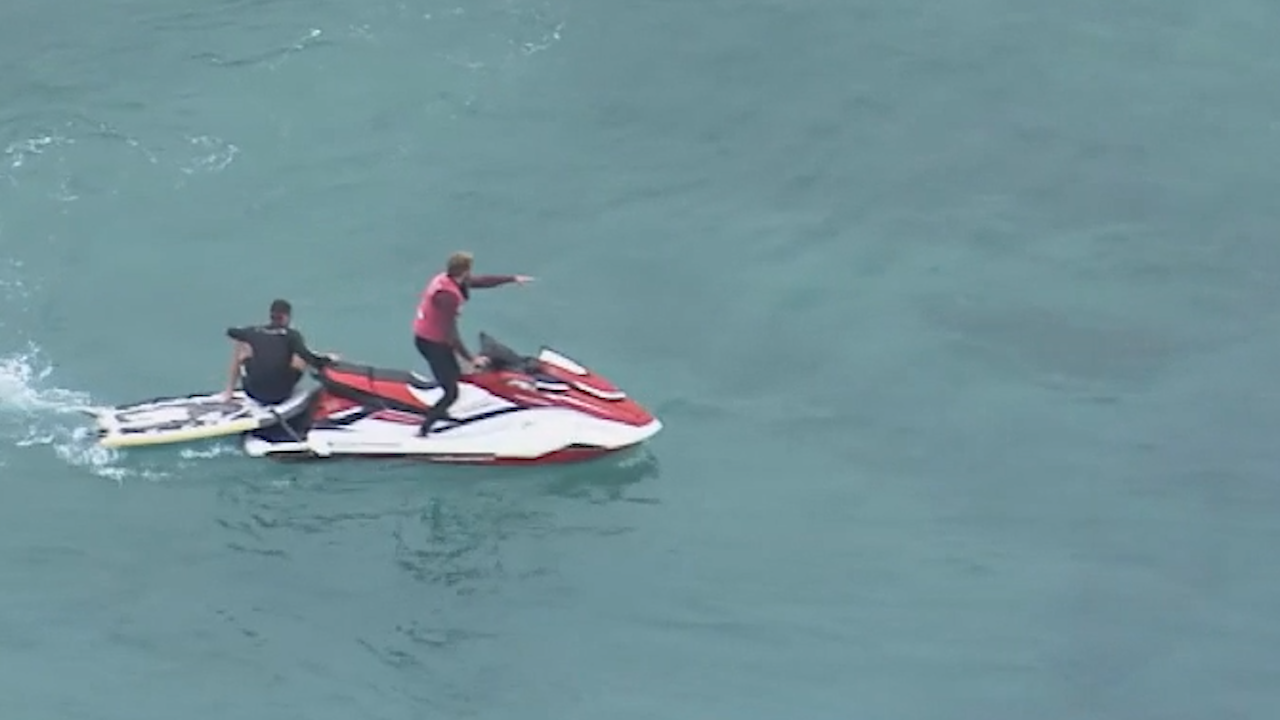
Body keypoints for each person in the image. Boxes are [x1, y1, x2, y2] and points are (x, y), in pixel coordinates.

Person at [412, 251, 533, 436]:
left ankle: (441, 409)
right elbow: (450, 334)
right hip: (431, 343)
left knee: (455, 375)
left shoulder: (448, 279)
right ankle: (423, 430)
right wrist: (471, 359)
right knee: (452, 392)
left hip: (433, 338)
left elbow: (481, 281)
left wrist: (512, 279)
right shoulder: (448, 297)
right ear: (465, 271)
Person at [220, 299, 338, 405]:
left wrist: (246, 332)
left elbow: (230, 332)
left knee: (241, 343)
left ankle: (229, 392)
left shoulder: (254, 331)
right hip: (281, 394)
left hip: (254, 393)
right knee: (299, 356)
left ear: (270, 316)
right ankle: (328, 387)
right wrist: (327, 360)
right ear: (286, 317)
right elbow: (308, 358)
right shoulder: (291, 334)